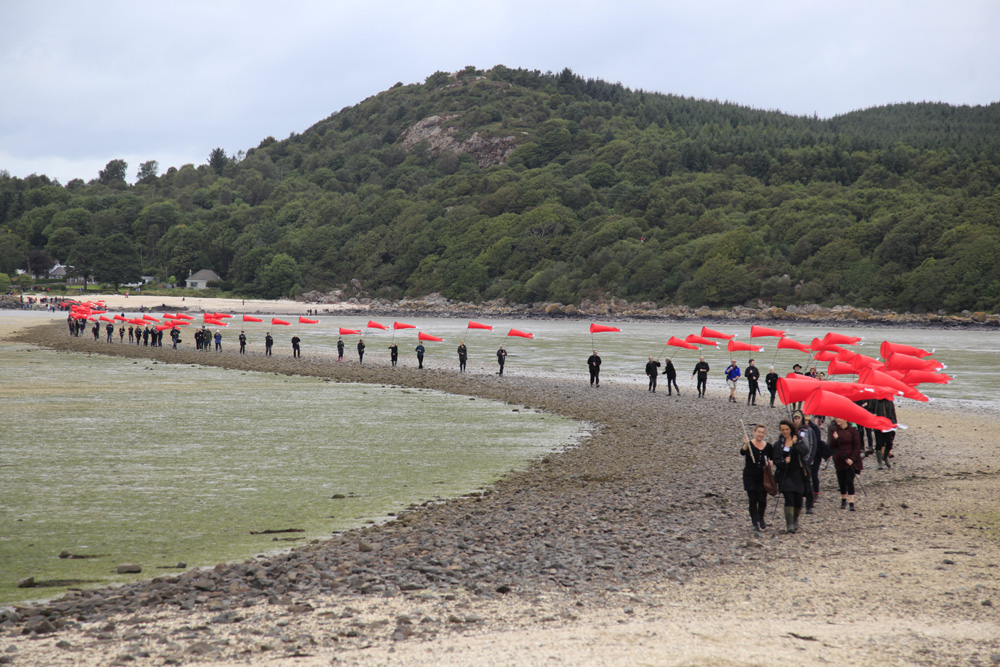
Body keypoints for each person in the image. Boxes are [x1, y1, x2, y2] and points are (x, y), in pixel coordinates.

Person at [773, 419, 809, 533]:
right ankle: (789, 524)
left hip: (798, 474)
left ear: (791, 429)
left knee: (798, 500)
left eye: (786, 429)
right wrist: (784, 462)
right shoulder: (778, 444)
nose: (785, 432)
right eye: (782, 430)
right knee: (789, 498)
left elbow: (805, 451)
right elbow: (776, 460)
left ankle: (795, 519)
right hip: (785, 475)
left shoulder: (798, 440)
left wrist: (795, 444)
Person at [741, 423, 775, 531]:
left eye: (762, 432)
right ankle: (754, 522)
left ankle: (761, 518)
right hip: (750, 476)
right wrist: (746, 444)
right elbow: (742, 452)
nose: (760, 434)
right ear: (754, 432)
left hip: (763, 477)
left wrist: (771, 462)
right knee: (752, 499)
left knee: (762, 500)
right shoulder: (749, 444)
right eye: (759, 432)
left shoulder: (768, 446)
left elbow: (772, 458)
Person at [831, 417, 863, 510]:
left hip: (851, 460)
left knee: (849, 480)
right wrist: (835, 439)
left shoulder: (852, 430)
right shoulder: (835, 431)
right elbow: (832, 446)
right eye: (836, 418)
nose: (837, 420)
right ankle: (843, 499)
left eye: (840, 418)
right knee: (841, 480)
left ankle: (851, 502)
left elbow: (857, 446)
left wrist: (852, 459)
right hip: (839, 460)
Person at [792, 411, 817, 514]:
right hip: (795, 461)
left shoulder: (808, 430)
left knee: (808, 483)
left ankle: (809, 505)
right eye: (795, 418)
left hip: (807, 461)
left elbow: (813, 445)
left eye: (798, 418)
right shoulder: (791, 431)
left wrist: (809, 459)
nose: (797, 420)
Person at [872, 398, 897, 469]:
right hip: (878, 425)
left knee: (889, 443)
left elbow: (893, 413)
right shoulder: (874, 400)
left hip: (888, 425)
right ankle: (879, 463)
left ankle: (885, 457)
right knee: (879, 443)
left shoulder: (889, 401)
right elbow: (869, 409)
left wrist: (894, 423)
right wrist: (873, 416)